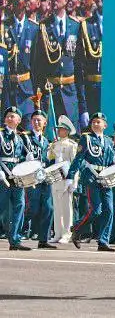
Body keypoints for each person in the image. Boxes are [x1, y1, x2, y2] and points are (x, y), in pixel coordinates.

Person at [33, 0, 86, 130]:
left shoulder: (75, 26)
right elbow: (37, 67)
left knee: (71, 142)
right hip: (50, 94)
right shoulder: (43, 26)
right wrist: (40, 100)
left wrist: (82, 106)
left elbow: (79, 67)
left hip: (70, 94)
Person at [65, 112, 115, 251]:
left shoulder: (109, 141)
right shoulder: (86, 138)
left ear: (105, 125)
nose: (95, 124)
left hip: (106, 178)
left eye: (98, 122)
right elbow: (78, 159)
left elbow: (110, 160)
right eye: (93, 122)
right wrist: (70, 176)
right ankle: (77, 228)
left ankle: (103, 241)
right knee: (96, 210)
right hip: (91, 177)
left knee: (109, 210)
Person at [3, 0, 38, 127]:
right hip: (9, 89)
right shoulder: (5, 26)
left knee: (29, 132)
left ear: (25, 3)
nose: (17, 2)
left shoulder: (34, 28)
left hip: (27, 90)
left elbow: (36, 64)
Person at [23, 107, 55, 248]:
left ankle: (43, 239)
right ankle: (17, 231)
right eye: (34, 120)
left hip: (44, 177)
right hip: (31, 177)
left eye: (39, 120)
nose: (36, 122)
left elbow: (49, 160)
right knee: (32, 208)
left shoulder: (47, 141)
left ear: (45, 123)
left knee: (48, 208)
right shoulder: (25, 137)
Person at [0, 106, 30, 250]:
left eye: (13, 116)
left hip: (16, 176)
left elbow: (18, 158)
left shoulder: (20, 138)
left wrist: (27, 159)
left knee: (20, 206)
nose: (10, 118)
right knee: (2, 207)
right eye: (8, 116)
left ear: (18, 120)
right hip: (3, 176)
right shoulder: (0, 135)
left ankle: (15, 240)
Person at [47, 115, 78, 243]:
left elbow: (75, 164)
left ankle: (66, 233)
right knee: (57, 208)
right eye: (58, 129)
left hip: (66, 179)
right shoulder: (54, 144)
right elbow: (49, 158)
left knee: (66, 208)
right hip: (56, 179)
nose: (59, 131)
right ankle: (57, 233)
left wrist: (74, 181)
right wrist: (51, 151)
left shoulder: (72, 145)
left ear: (67, 131)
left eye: (61, 129)